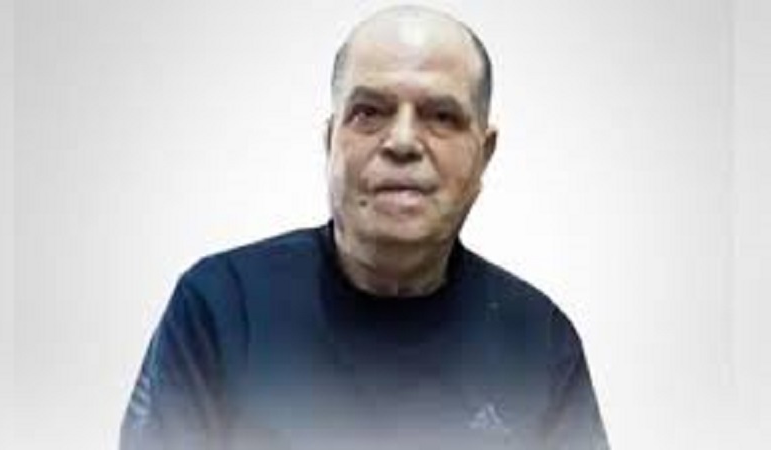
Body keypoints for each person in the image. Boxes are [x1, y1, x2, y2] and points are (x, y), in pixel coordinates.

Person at [120, 5, 609, 450]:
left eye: (441, 116)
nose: (402, 142)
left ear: (485, 153)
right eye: (369, 112)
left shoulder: (538, 342)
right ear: (331, 141)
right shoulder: (222, 307)